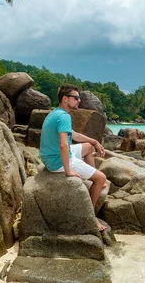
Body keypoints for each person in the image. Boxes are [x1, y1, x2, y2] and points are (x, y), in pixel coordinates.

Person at [39, 84, 107, 231]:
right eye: (76, 98)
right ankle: (91, 216)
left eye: (79, 98)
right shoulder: (64, 117)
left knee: (88, 147)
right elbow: (64, 145)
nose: (79, 101)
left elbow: (73, 135)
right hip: (57, 160)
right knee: (102, 178)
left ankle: (92, 179)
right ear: (65, 98)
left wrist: (94, 141)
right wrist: (68, 170)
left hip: (50, 156)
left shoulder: (56, 113)